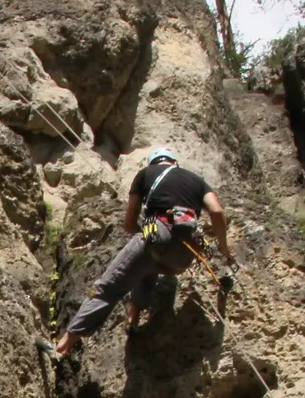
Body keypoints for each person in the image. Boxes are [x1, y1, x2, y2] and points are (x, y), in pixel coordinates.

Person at [44, 146, 234, 358]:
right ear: (175, 163)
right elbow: (216, 210)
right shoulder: (197, 180)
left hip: (157, 235)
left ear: (153, 163)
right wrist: (223, 248)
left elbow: (129, 224)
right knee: (147, 266)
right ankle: (133, 317)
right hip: (185, 254)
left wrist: (145, 233)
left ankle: (62, 347)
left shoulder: (145, 174)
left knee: (108, 289)